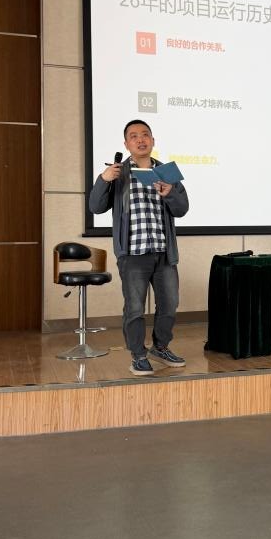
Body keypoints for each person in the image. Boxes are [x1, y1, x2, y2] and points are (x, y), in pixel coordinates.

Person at [89, 120, 190, 375]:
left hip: (163, 252)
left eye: (145, 135)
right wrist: (103, 180)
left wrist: (170, 193)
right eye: (134, 136)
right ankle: (138, 354)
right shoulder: (117, 173)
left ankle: (161, 347)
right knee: (134, 308)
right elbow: (96, 207)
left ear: (153, 140)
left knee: (170, 304)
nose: (140, 139)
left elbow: (182, 209)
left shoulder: (166, 172)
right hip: (133, 254)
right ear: (126, 144)